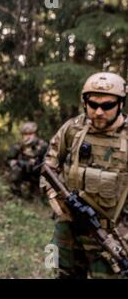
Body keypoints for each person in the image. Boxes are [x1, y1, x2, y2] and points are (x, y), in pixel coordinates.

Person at [41, 72, 128, 278]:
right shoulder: (73, 129)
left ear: (120, 104)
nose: (99, 112)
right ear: (84, 102)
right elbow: (48, 166)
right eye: (92, 104)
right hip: (68, 225)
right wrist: (56, 201)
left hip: (111, 233)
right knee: (59, 270)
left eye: (107, 106)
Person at [7, 122, 48, 199]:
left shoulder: (43, 145)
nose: (28, 136)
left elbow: (49, 160)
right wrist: (18, 163)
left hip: (38, 173)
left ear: (35, 134)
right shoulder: (18, 145)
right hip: (24, 171)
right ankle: (16, 194)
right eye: (25, 134)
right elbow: (9, 159)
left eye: (30, 134)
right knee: (16, 169)